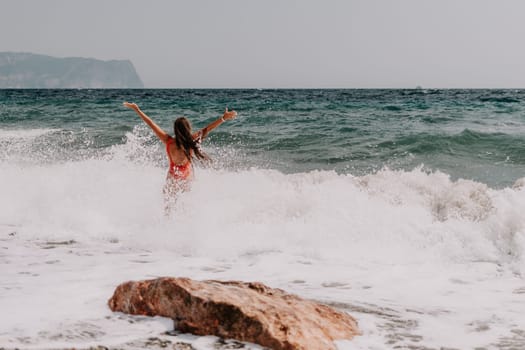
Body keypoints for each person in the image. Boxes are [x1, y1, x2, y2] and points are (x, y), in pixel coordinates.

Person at [123, 102, 237, 207]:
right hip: (187, 176)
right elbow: (207, 129)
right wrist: (223, 118)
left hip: (172, 176)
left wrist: (137, 110)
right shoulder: (191, 141)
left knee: (168, 205)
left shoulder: (168, 141)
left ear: (175, 129)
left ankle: (167, 226)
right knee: (185, 204)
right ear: (188, 128)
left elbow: (151, 124)